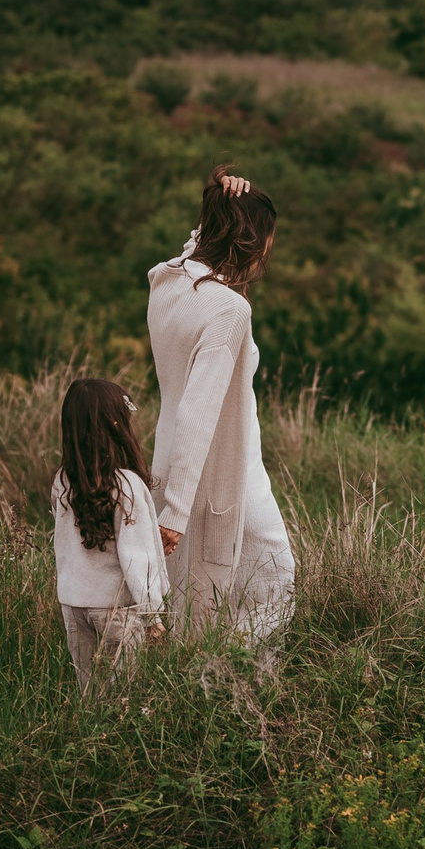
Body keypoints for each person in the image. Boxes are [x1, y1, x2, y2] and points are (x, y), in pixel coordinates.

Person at [148, 165, 295, 662]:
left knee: (192, 589)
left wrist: (219, 200)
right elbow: (199, 411)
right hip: (226, 469)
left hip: (166, 458)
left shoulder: (166, 282)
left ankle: (208, 670)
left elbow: (194, 253)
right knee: (275, 575)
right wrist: (175, 513)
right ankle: (227, 671)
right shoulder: (230, 312)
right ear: (250, 243)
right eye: (266, 243)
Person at [49, 376, 169, 688]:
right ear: (116, 428)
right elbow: (137, 557)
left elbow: (62, 546)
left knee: (88, 689)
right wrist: (153, 616)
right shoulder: (126, 485)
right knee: (126, 693)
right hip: (118, 609)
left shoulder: (62, 482)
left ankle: (85, 736)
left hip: (73, 604)